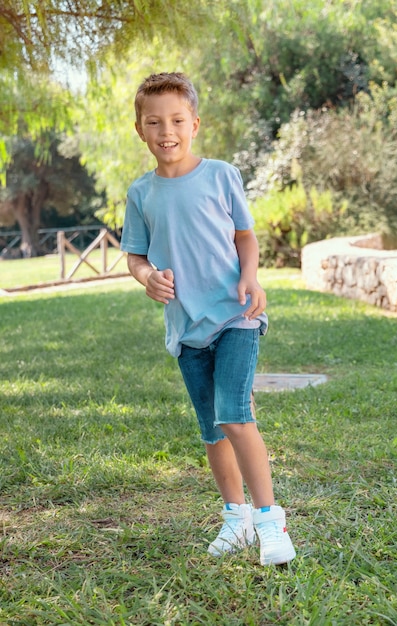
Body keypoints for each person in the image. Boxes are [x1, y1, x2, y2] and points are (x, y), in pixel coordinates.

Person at [120, 72, 296, 566]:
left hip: (235, 315)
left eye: (177, 120)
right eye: (153, 122)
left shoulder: (221, 174)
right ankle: (235, 519)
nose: (166, 131)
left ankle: (270, 519)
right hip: (186, 328)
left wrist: (252, 278)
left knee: (235, 416)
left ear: (194, 123)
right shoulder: (141, 193)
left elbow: (245, 235)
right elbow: (135, 256)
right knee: (212, 430)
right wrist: (146, 277)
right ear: (140, 129)